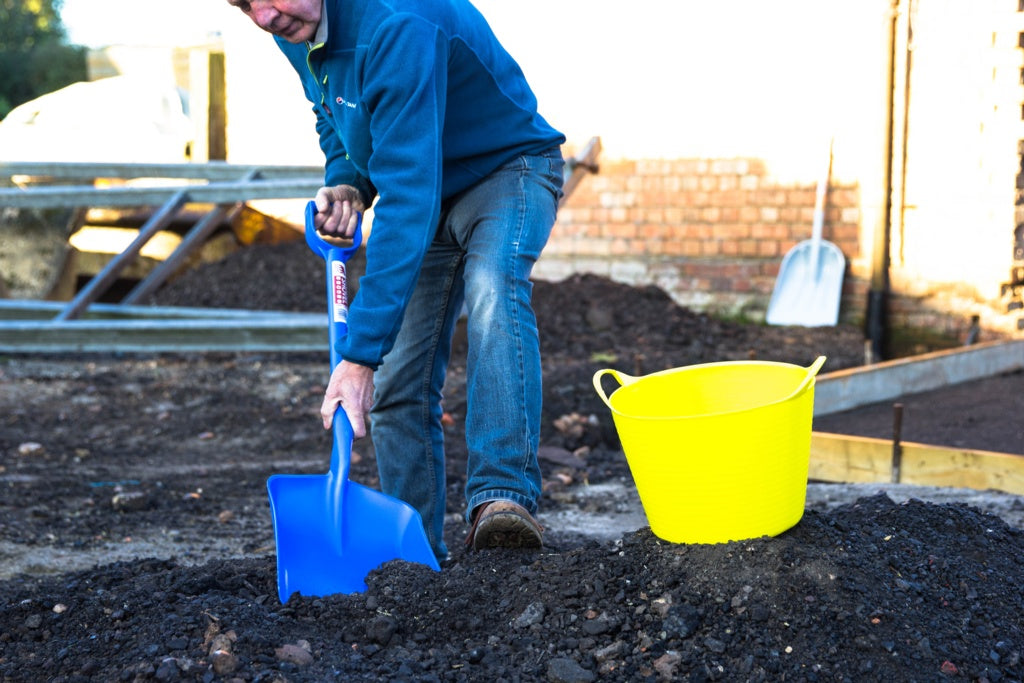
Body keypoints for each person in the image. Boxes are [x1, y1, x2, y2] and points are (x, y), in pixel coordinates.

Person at [228, 0, 565, 562]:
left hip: (507, 169)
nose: (263, 17)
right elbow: (332, 114)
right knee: (399, 375)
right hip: (429, 188)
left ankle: (502, 498)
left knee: (493, 288)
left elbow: (407, 196)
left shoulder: (396, 22)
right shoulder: (295, 24)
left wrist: (358, 356)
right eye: (244, 5)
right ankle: (415, 555)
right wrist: (348, 181)